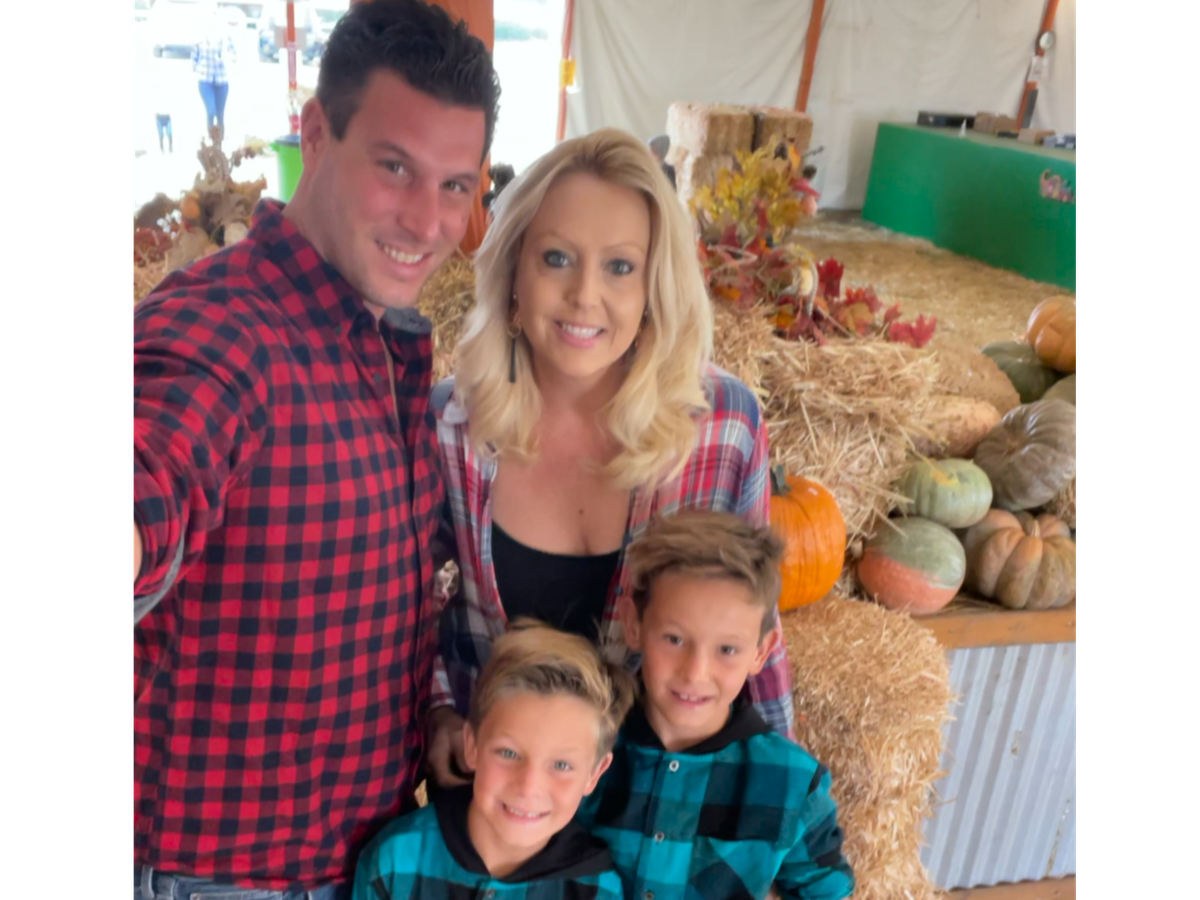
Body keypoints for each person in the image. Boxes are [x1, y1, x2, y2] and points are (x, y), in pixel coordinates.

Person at [131, 1, 500, 896]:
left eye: (456, 185)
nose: (427, 221)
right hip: (223, 875)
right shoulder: (225, 334)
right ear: (316, 133)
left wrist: (427, 719)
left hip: (353, 854)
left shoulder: (378, 341)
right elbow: (157, 473)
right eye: (395, 168)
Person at [425, 127, 794, 791]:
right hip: (509, 799)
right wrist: (439, 710)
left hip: (659, 805)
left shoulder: (723, 426)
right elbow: (409, 602)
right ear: (512, 272)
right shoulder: (451, 426)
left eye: (620, 267)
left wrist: (782, 791)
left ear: (655, 284)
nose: (584, 295)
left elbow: (752, 617)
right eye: (557, 258)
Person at [575, 511, 855, 900]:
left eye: (727, 649)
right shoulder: (581, 745)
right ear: (634, 625)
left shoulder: (791, 783)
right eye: (674, 639)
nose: (695, 673)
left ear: (760, 652)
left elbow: (827, 893)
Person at [352, 619, 633, 900]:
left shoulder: (599, 890)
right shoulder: (395, 861)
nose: (529, 787)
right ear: (472, 745)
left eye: (561, 765)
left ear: (595, 773)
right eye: (509, 753)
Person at [192, 4, 238, 142]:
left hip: (222, 81)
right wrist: (197, 68)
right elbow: (194, 57)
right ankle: (212, 140)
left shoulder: (225, 38)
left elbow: (234, 55)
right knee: (211, 111)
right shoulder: (200, 39)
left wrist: (227, 57)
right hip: (205, 80)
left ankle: (219, 144)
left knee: (220, 114)